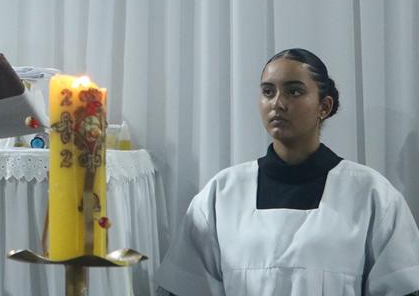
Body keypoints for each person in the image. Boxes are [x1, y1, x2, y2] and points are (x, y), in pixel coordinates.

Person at [155, 48, 419, 296]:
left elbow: (403, 286)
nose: (278, 103)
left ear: (324, 106)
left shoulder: (370, 193)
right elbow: (184, 285)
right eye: (268, 92)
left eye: (294, 91)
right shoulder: (222, 192)